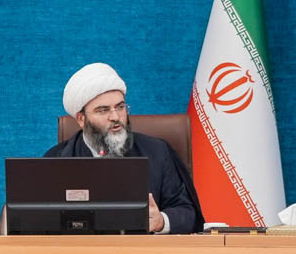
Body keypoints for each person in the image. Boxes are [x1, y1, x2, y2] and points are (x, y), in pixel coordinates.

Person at [46, 63, 204, 234]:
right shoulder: (56, 160)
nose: (115, 117)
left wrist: (161, 221)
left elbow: (187, 212)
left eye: (120, 107)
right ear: (81, 119)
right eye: (103, 110)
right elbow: (41, 222)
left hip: (144, 249)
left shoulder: (157, 152)